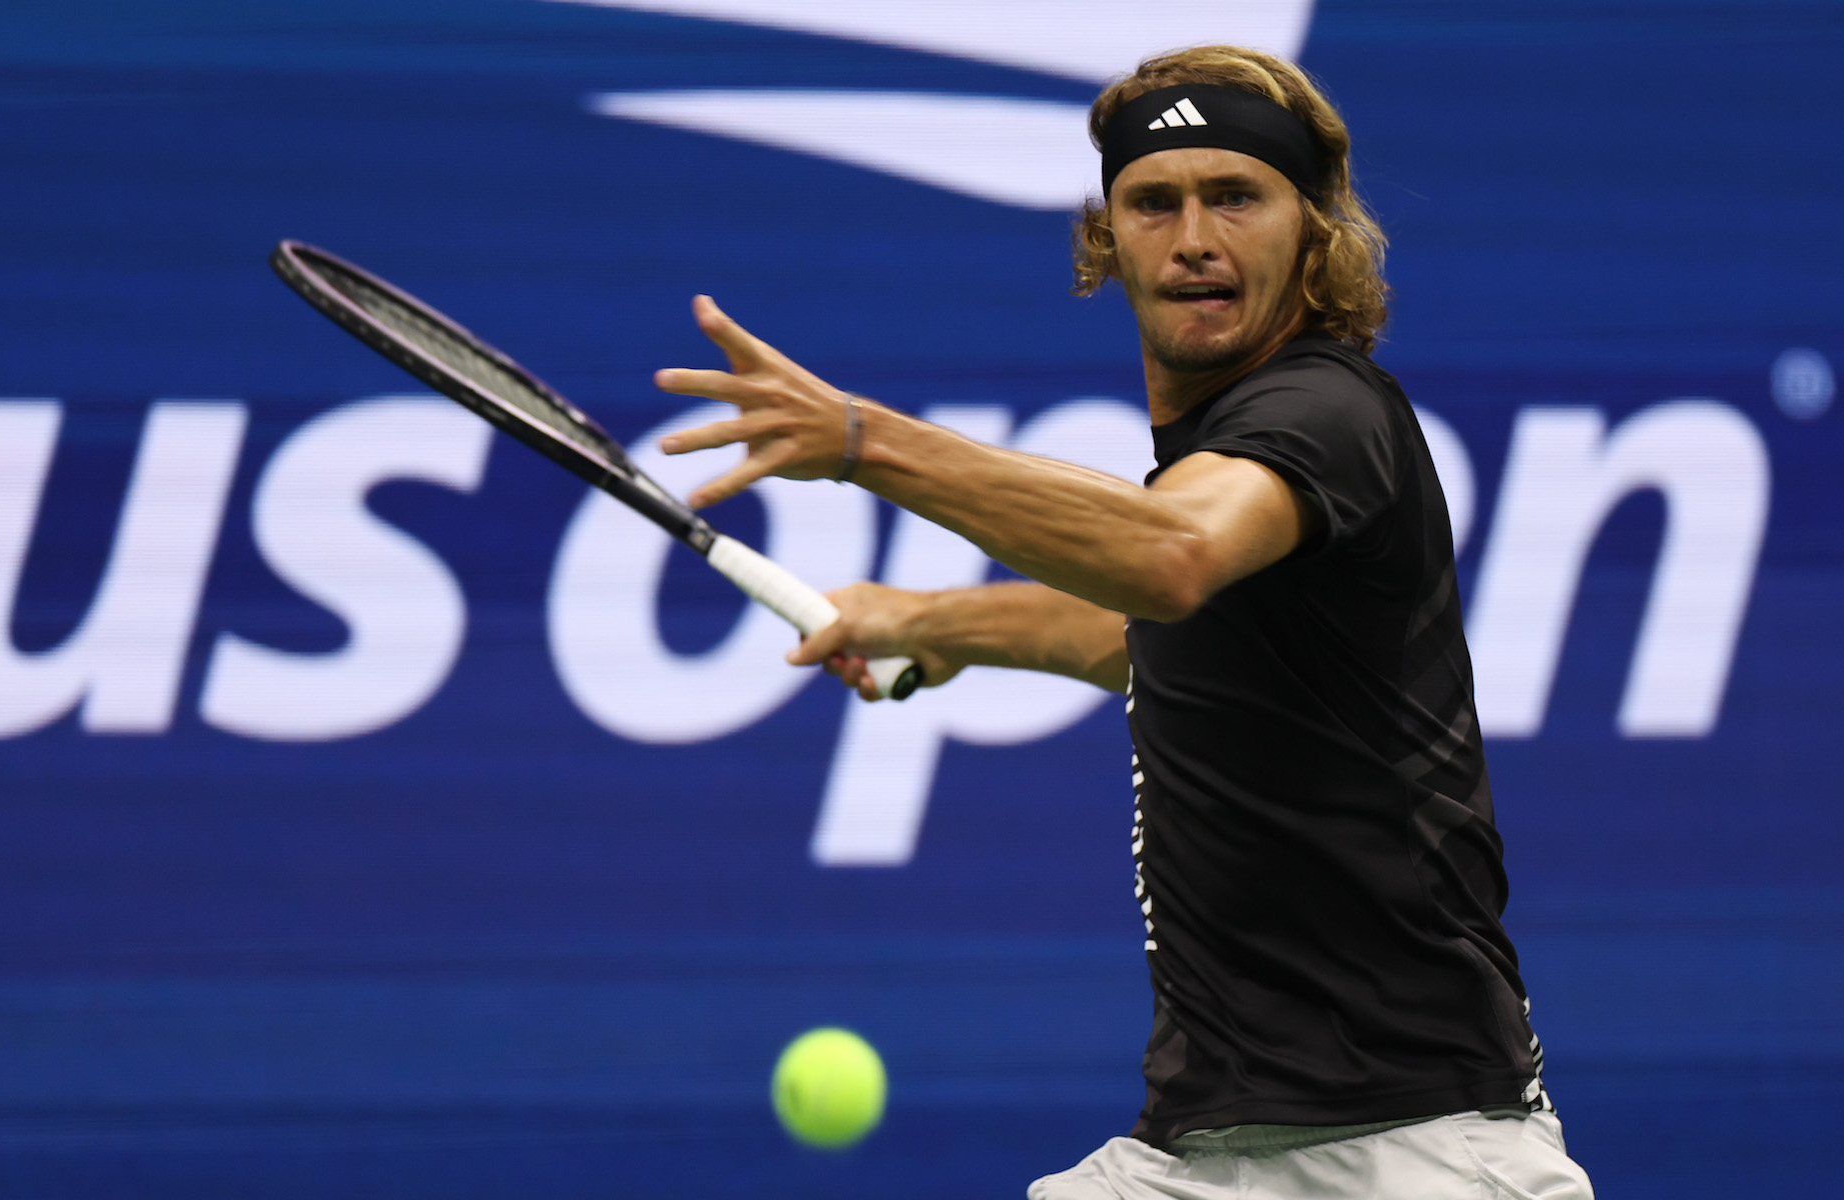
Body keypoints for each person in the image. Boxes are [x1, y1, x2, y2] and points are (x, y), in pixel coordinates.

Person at [652, 43, 1594, 1200]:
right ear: (1108, 239)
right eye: (1154, 202)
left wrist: (863, 442)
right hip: (1205, 1153)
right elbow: (1153, 640)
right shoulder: (1228, 458)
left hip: (1417, 1154)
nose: (1194, 236)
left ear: (1316, 232)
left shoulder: (1326, 411)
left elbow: (1173, 558)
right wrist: (938, 621)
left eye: (1235, 196)